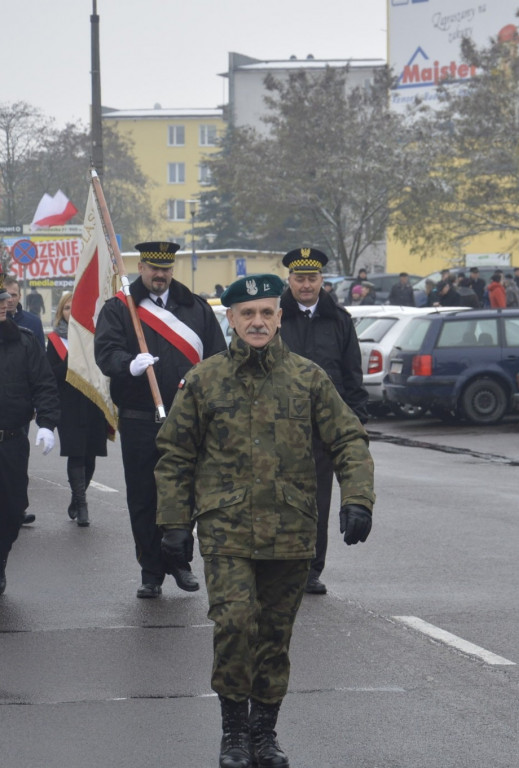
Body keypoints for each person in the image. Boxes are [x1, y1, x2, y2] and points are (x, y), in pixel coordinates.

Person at [154, 274, 375, 768]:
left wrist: (357, 498)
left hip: (291, 532)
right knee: (233, 624)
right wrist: (173, 523)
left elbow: (348, 440)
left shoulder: (308, 378)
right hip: (226, 530)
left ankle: (264, 734)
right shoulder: (205, 379)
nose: (257, 322)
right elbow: (175, 453)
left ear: (279, 317)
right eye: (246, 313)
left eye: (266, 313)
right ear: (230, 319)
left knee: (274, 637)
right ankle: (233, 732)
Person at [94, 241, 227, 599]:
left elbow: (218, 357)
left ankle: (179, 562)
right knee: (144, 496)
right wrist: (129, 365)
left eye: (166, 269)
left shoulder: (195, 308)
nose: (160, 275)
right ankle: (151, 570)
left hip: (189, 419)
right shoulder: (121, 309)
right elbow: (106, 352)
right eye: (154, 268)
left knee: (186, 492)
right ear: (141, 267)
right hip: (140, 417)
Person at [279, 247, 370, 596]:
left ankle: (311, 570)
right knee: (281, 499)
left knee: (317, 501)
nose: (305, 285)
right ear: (289, 279)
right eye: (299, 278)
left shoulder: (339, 320)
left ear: (322, 281)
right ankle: (282, 564)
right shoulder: (275, 316)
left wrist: (356, 420)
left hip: (322, 427)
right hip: (280, 424)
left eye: (312, 278)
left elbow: (351, 375)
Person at [0, 286, 60, 596]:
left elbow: (44, 384)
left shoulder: (23, 341)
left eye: (2, 300)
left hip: (10, 441)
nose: (2, 305)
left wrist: (47, 423)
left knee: (11, 510)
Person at [46, 291, 109, 527]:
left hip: (93, 404)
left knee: (90, 455)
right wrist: (73, 360)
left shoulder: (95, 338)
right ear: (61, 312)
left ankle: (76, 497)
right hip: (68, 405)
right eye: (66, 308)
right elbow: (51, 374)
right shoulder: (55, 340)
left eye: (75, 308)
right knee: (76, 453)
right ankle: (82, 505)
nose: (71, 313)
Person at [4, 276, 45, 347]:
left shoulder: (34, 322)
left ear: (19, 296)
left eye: (13, 295)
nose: (10, 300)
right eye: (6, 295)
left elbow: (41, 355)